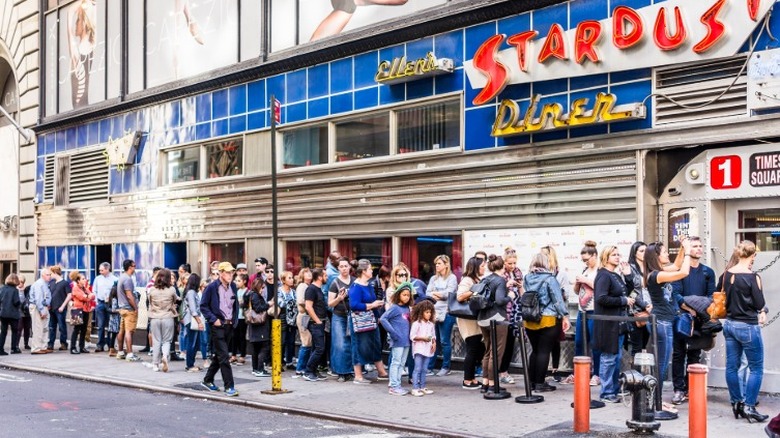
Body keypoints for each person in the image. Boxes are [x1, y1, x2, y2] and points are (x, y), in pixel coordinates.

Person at [723, 240, 769, 423]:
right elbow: (759, 304)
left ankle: (737, 403)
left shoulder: (727, 274)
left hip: (729, 324)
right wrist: (763, 311)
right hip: (748, 326)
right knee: (756, 368)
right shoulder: (753, 277)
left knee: (731, 367)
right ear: (753, 256)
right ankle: (750, 406)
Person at [645, 239, 691, 417]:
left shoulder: (660, 272)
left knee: (662, 363)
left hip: (664, 321)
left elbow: (678, 264)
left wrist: (681, 248)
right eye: (664, 252)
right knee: (662, 365)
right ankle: (655, 403)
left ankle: (656, 400)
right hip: (661, 322)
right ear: (656, 256)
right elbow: (684, 271)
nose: (667, 255)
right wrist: (687, 251)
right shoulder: (656, 275)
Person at [670, 236, 716, 405]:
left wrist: (701, 309)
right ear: (688, 250)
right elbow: (676, 294)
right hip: (682, 317)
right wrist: (689, 307)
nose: (698, 249)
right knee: (678, 354)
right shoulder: (680, 271)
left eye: (700, 246)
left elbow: (711, 296)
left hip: (700, 318)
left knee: (695, 354)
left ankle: (690, 388)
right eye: (694, 246)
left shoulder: (707, 272)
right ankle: (678, 389)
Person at [593, 246, 635, 403]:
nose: (618, 257)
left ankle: (613, 390)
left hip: (618, 324)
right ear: (606, 257)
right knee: (608, 358)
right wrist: (623, 301)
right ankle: (606, 392)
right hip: (608, 324)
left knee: (615, 358)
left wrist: (628, 276)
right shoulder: (603, 275)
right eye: (614, 254)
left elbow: (630, 293)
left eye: (618, 254)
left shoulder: (615, 275)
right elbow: (601, 298)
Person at [523, 253, 570, 393]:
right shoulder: (550, 279)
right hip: (548, 319)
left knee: (535, 351)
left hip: (530, 318)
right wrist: (565, 316)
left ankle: (531, 382)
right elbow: (557, 300)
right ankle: (540, 383)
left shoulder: (527, 277)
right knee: (544, 351)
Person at [200, 262, 239, 396]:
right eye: (228, 272)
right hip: (218, 326)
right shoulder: (211, 287)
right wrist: (213, 320)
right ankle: (229, 386)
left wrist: (234, 320)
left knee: (219, 355)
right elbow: (203, 306)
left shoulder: (233, 286)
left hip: (229, 325)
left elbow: (235, 305)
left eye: (232, 272)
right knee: (224, 356)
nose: (230, 275)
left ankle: (208, 380)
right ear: (221, 273)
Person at [349, 259, 390, 384]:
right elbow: (354, 305)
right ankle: (358, 375)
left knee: (375, 344)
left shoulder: (369, 284)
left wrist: (377, 314)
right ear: (363, 271)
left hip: (371, 320)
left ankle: (381, 371)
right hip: (360, 321)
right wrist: (372, 305)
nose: (372, 271)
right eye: (370, 269)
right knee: (358, 345)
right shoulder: (356, 286)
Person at [478, 254, 511, 393]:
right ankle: (492, 384)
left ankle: (485, 382)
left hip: (483, 318)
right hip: (497, 318)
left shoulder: (485, 279)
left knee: (487, 351)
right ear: (502, 266)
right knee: (496, 353)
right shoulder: (500, 280)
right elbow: (499, 300)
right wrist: (510, 296)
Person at [455, 257, 486, 389]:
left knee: (477, 348)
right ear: (475, 267)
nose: (484, 268)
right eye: (482, 266)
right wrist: (475, 290)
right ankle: (467, 380)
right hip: (467, 319)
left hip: (474, 319)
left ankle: (472, 378)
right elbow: (460, 296)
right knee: (472, 348)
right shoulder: (467, 280)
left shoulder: (477, 280)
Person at [540, 245, 571, 378]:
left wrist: (556, 292)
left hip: (556, 313)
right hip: (542, 312)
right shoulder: (538, 273)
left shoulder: (560, 274)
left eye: (544, 255)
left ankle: (555, 369)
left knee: (555, 342)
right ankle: (543, 370)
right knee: (543, 343)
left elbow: (566, 295)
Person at [573, 240, 600, 386]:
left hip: (594, 311)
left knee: (595, 343)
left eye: (587, 259)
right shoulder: (585, 270)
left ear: (595, 256)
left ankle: (597, 374)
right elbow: (577, 291)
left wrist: (585, 280)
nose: (585, 262)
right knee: (579, 342)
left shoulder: (600, 271)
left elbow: (600, 287)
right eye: (583, 260)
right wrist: (578, 283)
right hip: (581, 311)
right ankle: (579, 372)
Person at [426, 254, 458, 376]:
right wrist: (439, 294)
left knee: (445, 341)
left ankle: (446, 367)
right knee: (434, 339)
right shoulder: (433, 278)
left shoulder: (452, 278)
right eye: (436, 264)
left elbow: (448, 294)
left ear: (446, 264)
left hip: (447, 312)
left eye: (439, 263)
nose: (437, 266)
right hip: (434, 311)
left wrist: (436, 293)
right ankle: (430, 366)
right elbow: (428, 293)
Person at [379, 281, 413, 396]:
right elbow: (383, 319)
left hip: (406, 340)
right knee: (396, 362)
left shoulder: (407, 308)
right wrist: (393, 333)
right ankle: (393, 385)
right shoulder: (395, 308)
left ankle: (397, 384)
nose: (406, 297)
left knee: (402, 363)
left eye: (408, 295)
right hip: (398, 340)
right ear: (398, 295)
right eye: (404, 295)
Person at [328, 257, 354, 382]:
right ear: (338, 268)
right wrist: (339, 298)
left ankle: (349, 370)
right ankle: (341, 372)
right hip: (339, 316)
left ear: (349, 267)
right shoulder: (335, 283)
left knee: (350, 344)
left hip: (352, 315)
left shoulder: (355, 281)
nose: (344, 268)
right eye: (341, 266)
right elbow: (330, 303)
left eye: (346, 266)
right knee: (340, 344)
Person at [500, 248, 523, 385]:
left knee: (510, 343)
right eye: (510, 263)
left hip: (516, 312)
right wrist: (508, 285)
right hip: (504, 312)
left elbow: (522, 293)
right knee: (502, 344)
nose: (512, 266)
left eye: (514, 263)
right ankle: (500, 371)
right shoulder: (501, 274)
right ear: (504, 262)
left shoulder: (518, 273)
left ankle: (504, 371)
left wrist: (519, 286)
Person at [625, 242, 652, 360]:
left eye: (646, 250)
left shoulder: (650, 267)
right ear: (634, 254)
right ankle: (635, 375)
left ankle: (644, 374)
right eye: (641, 251)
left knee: (645, 345)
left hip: (651, 310)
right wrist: (644, 304)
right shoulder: (630, 268)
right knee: (637, 346)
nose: (644, 253)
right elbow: (631, 291)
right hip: (636, 311)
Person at [304, 269, 329, 382]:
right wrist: (318, 321)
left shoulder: (318, 289)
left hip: (319, 322)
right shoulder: (311, 289)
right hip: (315, 323)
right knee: (320, 348)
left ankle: (313, 371)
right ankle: (308, 371)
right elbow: (308, 307)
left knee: (316, 347)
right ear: (320, 277)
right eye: (325, 275)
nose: (327, 278)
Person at [244, 278, 271, 378]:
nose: (263, 289)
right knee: (264, 347)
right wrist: (268, 304)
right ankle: (259, 369)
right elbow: (259, 308)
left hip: (254, 326)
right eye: (262, 287)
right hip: (259, 326)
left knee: (255, 349)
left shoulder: (250, 294)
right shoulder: (255, 295)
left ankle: (255, 369)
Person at [409, 299, 436, 397]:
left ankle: (423, 386)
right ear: (421, 312)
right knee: (418, 368)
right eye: (427, 312)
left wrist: (434, 343)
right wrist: (423, 338)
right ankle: (415, 388)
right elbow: (412, 336)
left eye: (430, 312)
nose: (429, 314)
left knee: (424, 369)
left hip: (427, 349)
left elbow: (433, 336)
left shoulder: (431, 324)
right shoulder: (416, 323)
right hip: (419, 349)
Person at [116, 259, 140, 362]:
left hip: (122, 308)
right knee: (129, 331)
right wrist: (135, 307)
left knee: (122, 330)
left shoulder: (121, 277)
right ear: (130, 267)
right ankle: (130, 354)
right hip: (129, 308)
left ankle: (120, 352)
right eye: (134, 266)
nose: (135, 268)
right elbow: (129, 295)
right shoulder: (128, 279)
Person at [182, 273, 204, 372]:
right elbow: (193, 309)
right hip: (192, 321)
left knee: (194, 343)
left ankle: (191, 364)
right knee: (192, 343)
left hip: (192, 320)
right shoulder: (191, 293)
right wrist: (199, 321)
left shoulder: (191, 292)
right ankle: (189, 365)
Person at [92, 262, 117, 352]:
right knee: (101, 325)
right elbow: (94, 290)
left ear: (107, 269)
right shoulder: (98, 279)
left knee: (110, 325)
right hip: (100, 303)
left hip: (110, 304)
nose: (100, 271)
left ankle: (110, 344)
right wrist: (96, 302)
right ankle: (100, 345)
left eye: (102, 270)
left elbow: (116, 292)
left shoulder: (114, 279)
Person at [69, 271, 95, 354]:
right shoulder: (75, 288)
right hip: (78, 310)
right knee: (77, 329)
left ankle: (81, 347)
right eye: (83, 279)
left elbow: (92, 295)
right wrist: (88, 297)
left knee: (84, 329)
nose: (85, 280)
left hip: (86, 309)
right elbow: (82, 297)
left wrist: (89, 296)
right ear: (78, 280)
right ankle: (73, 347)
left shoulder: (84, 288)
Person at [294, 268, 313, 377]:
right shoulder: (302, 286)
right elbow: (300, 300)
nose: (309, 275)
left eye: (310, 273)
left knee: (308, 342)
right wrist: (310, 303)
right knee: (306, 342)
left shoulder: (307, 286)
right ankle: (300, 367)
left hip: (306, 315)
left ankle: (303, 366)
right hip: (303, 315)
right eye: (306, 273)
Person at [29, 268, 52, 354]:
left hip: (44, 306)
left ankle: (43, 346)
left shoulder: (45, 284)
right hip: (38, 307)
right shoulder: (39, 284)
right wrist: (42, 310)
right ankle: (36, 348)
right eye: (47, 275)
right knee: (38, 327)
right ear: (42, 275)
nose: (49, 276)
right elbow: (38, 298)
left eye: (50, 274)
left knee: (44, 328)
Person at [277, 271, 298, 368]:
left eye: (292, 277)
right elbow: (281, 303)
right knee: (282, 341)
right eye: (289, 278)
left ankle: (289, 361)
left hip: (293, 319)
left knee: (291, 340)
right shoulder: (279, 291)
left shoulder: (294, 292)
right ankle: (280, 362)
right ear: (283, 280)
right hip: (283, 318)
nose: (292, 279)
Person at [48, 266, 71, 351]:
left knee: (62, 326)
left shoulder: (65, 283)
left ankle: (63, 343)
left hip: (60, 308)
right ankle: (51, 343)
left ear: (55, 273)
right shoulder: (52, 283)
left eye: (51, 273)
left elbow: (69, 295)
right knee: (51, 327)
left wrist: (63, 306)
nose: (50, 275)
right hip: (52, 308)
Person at [0, 273, 22, 355]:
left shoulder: (2, 288)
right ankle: (14, 348)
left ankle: (0, 349)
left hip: (3, 313)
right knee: (15, 331)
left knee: (3, 332)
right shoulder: (15, 290)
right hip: (13, 314)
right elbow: (16, 302)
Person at [229, 273, 248, 366]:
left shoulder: (247, 291)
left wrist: (242, 303)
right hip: (235, 316)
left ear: (244, 281)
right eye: (236, 280)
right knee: (234, 336)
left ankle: (242, 355)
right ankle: (233, 354)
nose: (236, 282)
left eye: (239, 281)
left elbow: (246, 303)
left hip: (243, 317)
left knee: (242, 336)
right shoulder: (235, 291)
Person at [15, 275, 32, 351]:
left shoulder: (27, 289)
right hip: (19, 312)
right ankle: (16, 344)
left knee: (27, 329)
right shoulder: (15, 290)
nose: (20, 283)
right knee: (19, 329)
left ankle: (26, 344)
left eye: (21, 282)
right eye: (18, 282)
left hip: (27, 312)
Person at [107, 281, 121, 357]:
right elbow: (114, 310)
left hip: (113, 319)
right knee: (115, 333)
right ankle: (112, 349)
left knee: (114, 334)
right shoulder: (115, 299)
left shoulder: (111, 298)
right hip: (115, 319)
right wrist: (120, 310)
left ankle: (112, 348)